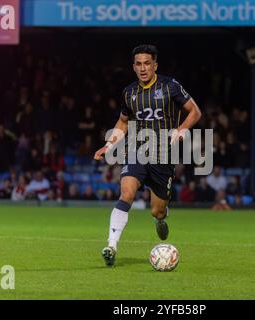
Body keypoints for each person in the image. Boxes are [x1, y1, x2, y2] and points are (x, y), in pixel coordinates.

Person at [94, 44, 202, 267]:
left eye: (147, 63)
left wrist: (182, 129)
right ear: (133, 67)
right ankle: (111, 245)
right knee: (127, 193)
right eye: (138, 64)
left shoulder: (170, 86)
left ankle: (161, 217)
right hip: (137, 151)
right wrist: (109, 144)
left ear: (155, 65)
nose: (143, 68)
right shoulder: (129, 92)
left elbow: (195, 111)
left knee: (157, 209)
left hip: (164, 156)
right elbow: (123, 121)